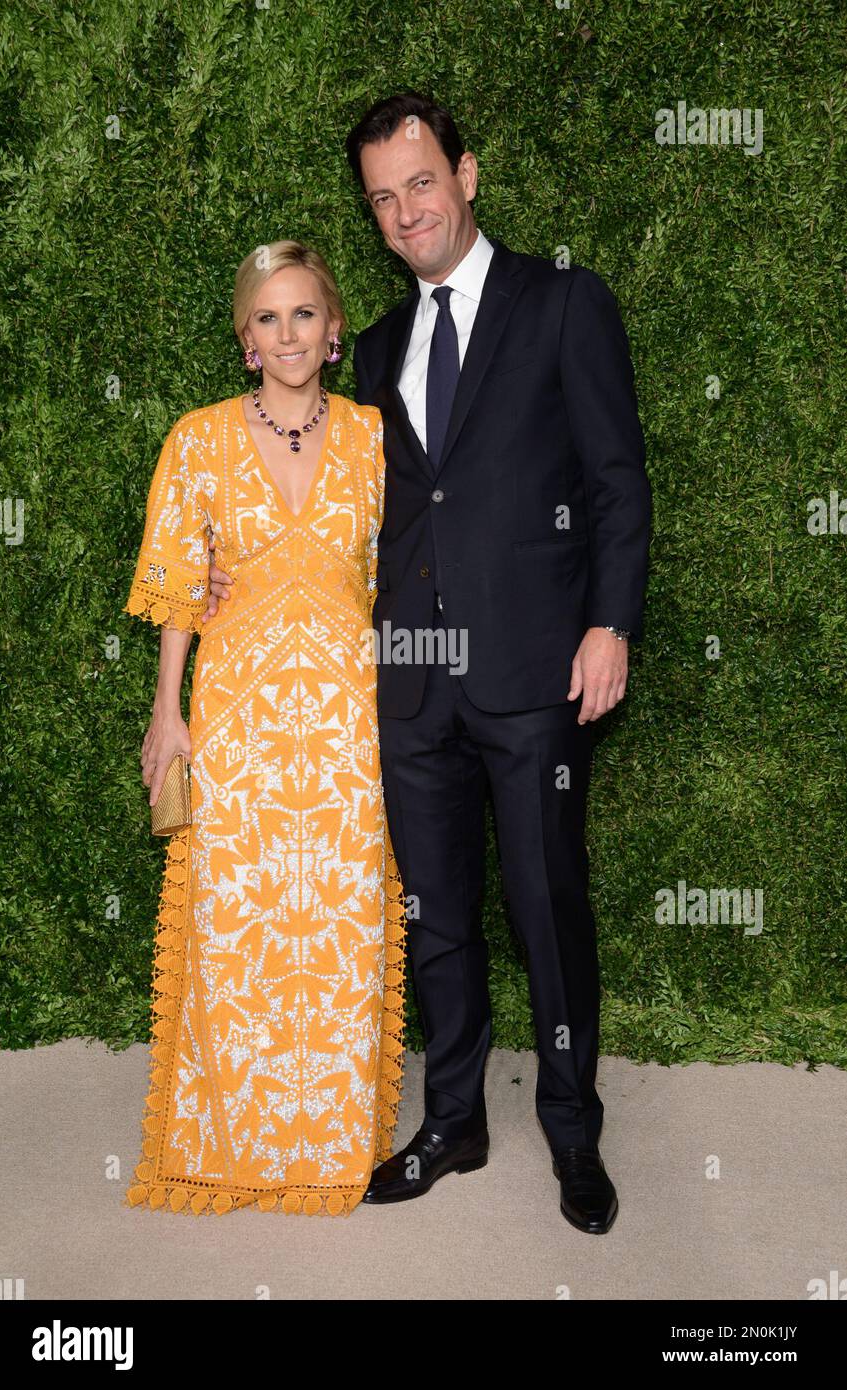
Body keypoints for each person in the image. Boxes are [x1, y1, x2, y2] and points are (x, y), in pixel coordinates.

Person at [208, 93, 652, 1235]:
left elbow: (617, 481)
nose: (407, 210)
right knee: (436, 912)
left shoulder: (562, 302)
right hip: (408, 676)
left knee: (546, 904)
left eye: (421, 182)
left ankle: (570, 1125)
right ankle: (453, 1118)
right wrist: (239, 580)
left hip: (533, 667)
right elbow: (352, 517)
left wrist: (610, 623)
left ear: (465, 172)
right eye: (383, 197)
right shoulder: (379, 349)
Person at [121, 240, 406, 1217]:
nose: (287, 334)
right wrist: (170, 716)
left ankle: (328, 1147)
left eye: (305, 315)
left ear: (332, 332)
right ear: (246, 341)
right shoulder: (195, 440)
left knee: (339, 921)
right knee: (234, 926)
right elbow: (173, 593)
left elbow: (402, 577)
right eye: (267, 318)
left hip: (344, 724)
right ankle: (229, 1142)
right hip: (235, 719)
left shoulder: (375, 438)